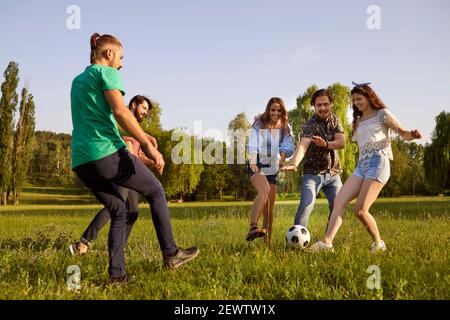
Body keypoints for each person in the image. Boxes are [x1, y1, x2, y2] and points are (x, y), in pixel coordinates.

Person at [70, 33, 199, 284]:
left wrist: (144, 136)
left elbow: (98, 121)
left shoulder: (78, 80)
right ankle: (171, 253)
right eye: (120, 57)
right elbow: (120, 112)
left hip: (82, 160)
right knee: (156, 190)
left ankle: (117, 277)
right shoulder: (107, 73)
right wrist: (151, 149)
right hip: (106, 153)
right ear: (108, 54)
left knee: (119, 210)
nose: (121, 63)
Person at [309, 82, 422, 253]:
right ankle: (327, 243)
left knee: (361, 210)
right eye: (354, 100)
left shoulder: (382, 114)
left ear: (369, 97)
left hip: (379, 163)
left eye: (359, 99)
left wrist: (412, 136)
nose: (356, 103)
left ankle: (378, 244)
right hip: (362, 165)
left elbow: (402, 133)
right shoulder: (358, 120)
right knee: (339, 201)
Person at [69, 95, 157, 255]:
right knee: (115, 207)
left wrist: (154, 161)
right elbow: (131, 156)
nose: (146, 113)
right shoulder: (127, 123)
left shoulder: (134, 127)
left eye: (147, 111)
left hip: (129, 172)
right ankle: (82, 243)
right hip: (123, 172)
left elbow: (138, 155)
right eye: (144, 108)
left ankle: (117, 249)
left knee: (132, 212)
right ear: (134, 104)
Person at [282, 89, 345, 229]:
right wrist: (294, 163)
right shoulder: (311, 124)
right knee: (306, 205)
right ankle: (296, 241)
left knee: (338, 206)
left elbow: (342, 143)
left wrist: (326, 144)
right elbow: (303, 145)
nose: (322, 108)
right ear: (314, 106)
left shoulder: (335, 120)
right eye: (319, 105)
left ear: (331, 104)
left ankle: (327, 241)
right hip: (312, 173)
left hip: (333, 173)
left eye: (325, 104)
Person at [246, 97, 295, 243]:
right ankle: (253, 227)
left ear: (282, 111)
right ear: (268, 110)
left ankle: (267, 243)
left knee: (269, 208)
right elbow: (253, 145)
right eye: (273, 110)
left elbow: (287, 145)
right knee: (264, 190)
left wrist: (281, 160)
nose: (275, 113)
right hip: (257, 163)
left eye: (279, 110)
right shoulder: (259, 124)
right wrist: (254, 163)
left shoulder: (284, 126)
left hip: (272, 166)